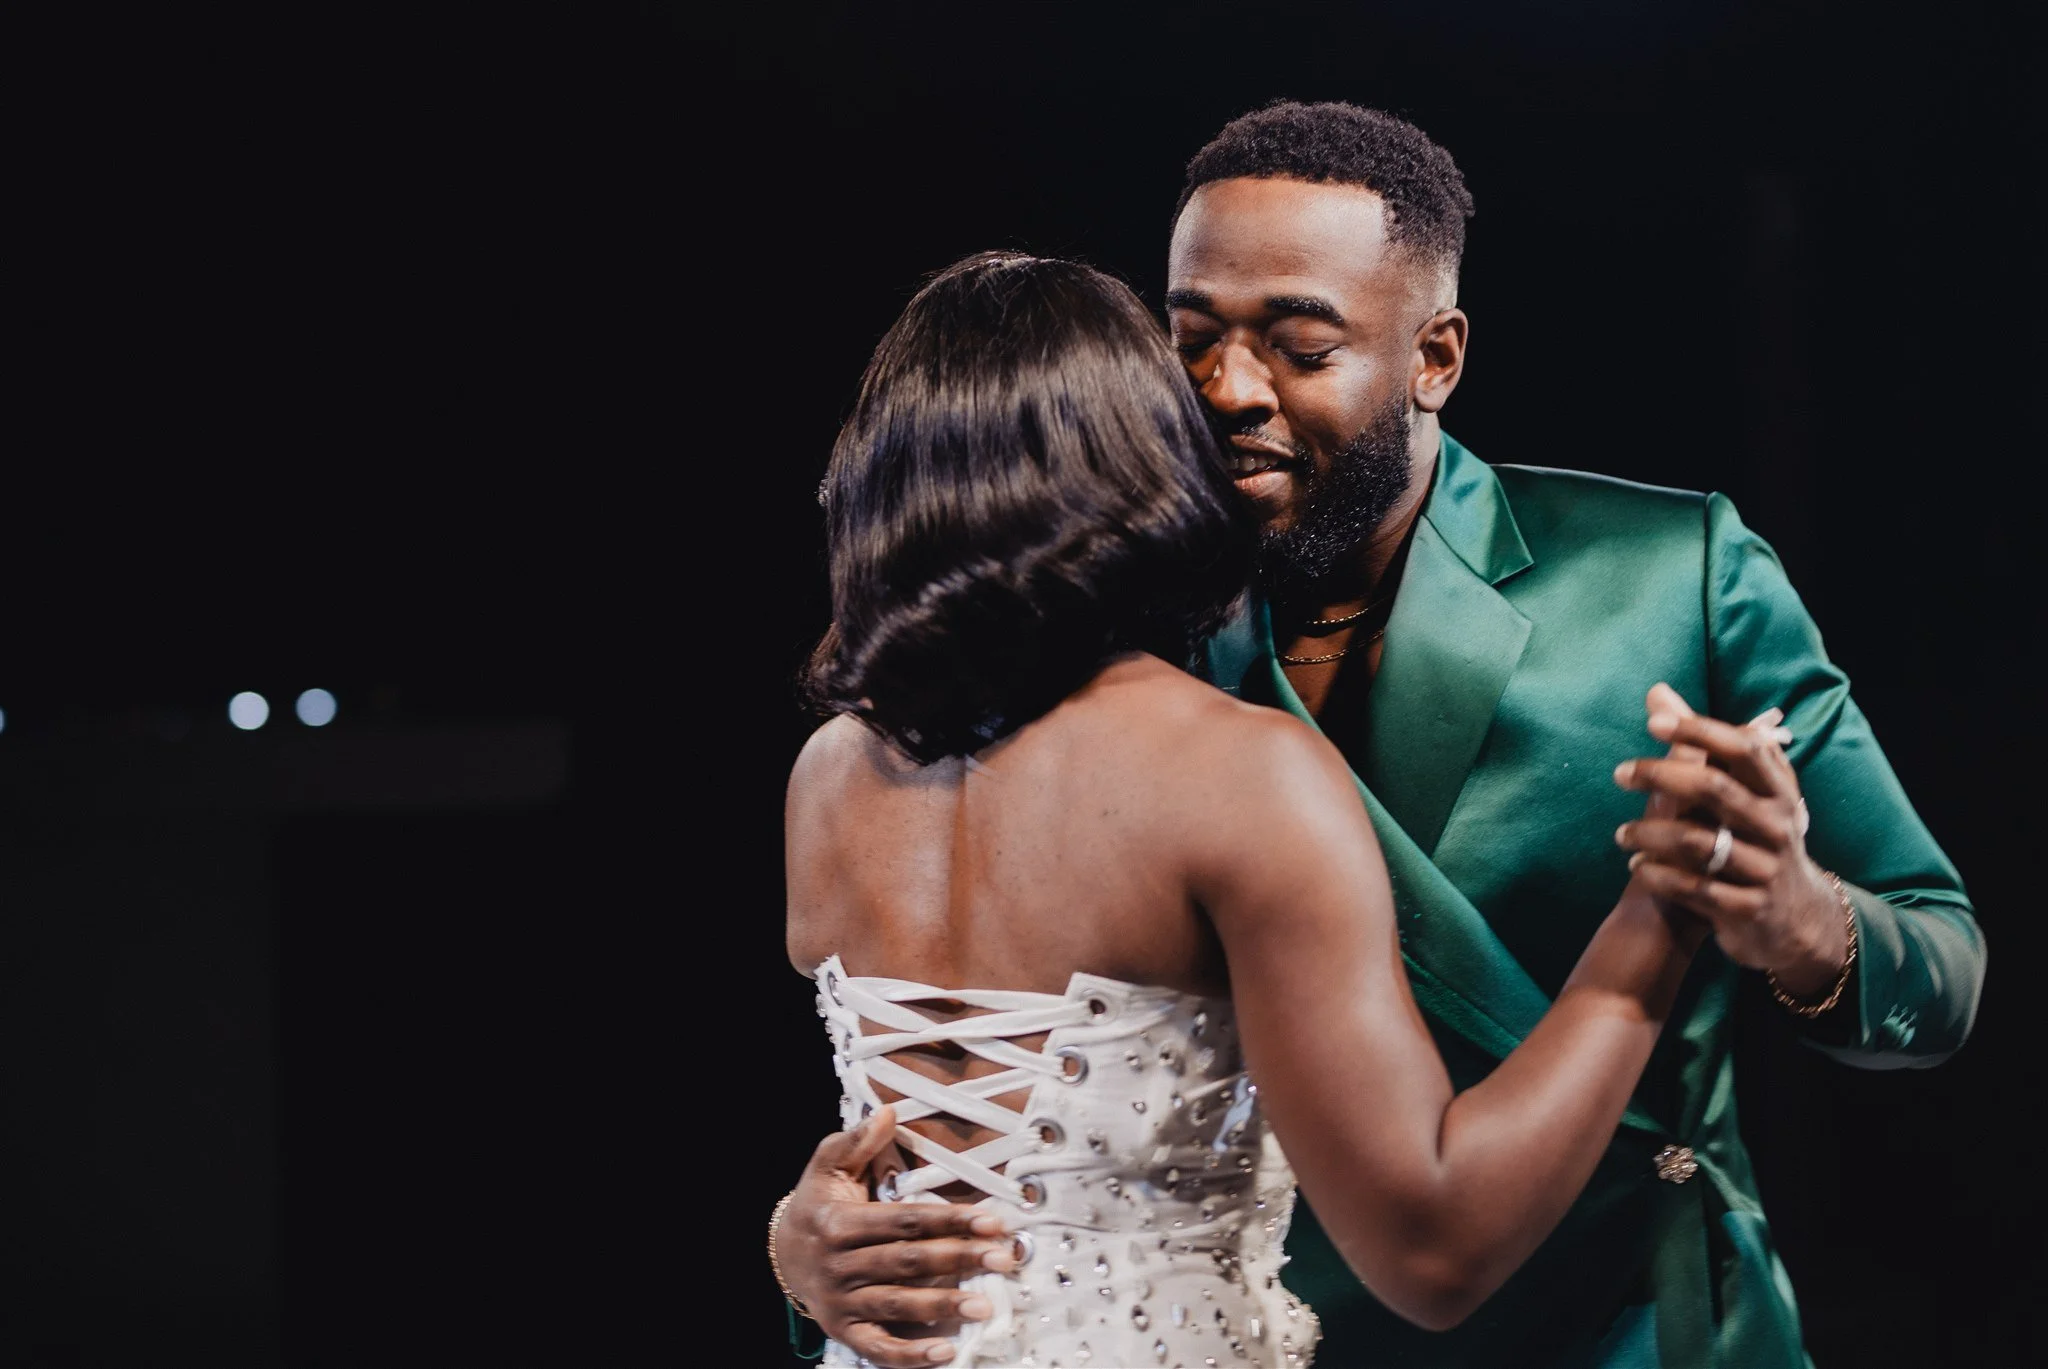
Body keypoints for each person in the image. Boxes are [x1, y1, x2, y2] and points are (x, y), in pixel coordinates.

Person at [775, 106, 1985, 1369]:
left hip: (1623, 1330)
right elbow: (996, 1091)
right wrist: (813, 1254)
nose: (1230, 390)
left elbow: (1940, 967)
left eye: (1299, 346)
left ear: (1434, 356)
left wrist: (1796, 920)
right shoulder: (1083, 645)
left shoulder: (1671, 577)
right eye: (1188, 342)